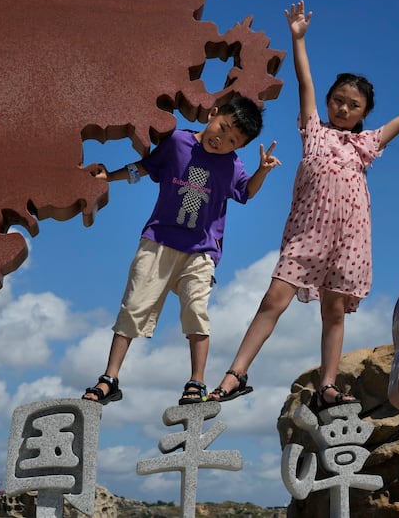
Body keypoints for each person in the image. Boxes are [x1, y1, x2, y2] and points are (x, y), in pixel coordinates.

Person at [208, 0, 399, 412]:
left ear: (364, 113)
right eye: (339, 101)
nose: (344, 109)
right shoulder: (313, 132)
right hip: (307, 234)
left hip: (350, 240)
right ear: (329, 103)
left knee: (334, 311)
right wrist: (299, 40)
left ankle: (327, 386)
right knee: (273, 300)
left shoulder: (365, 145)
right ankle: (235, 374)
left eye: (354, 105)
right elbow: (304, 83)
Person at [81, 95, 280, 406]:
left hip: (200, 250)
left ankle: (196, 381)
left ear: (238, 147)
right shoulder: (177, 142)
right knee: (133, 308)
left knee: (196, 311)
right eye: (222, 128)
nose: (222, 140)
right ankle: (110, 378)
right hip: (159, 240)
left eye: (232, 140)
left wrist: (262, 171)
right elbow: (146, 167)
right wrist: (111, 176)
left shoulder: (231, 165)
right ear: (213, 114)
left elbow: (244, 193)